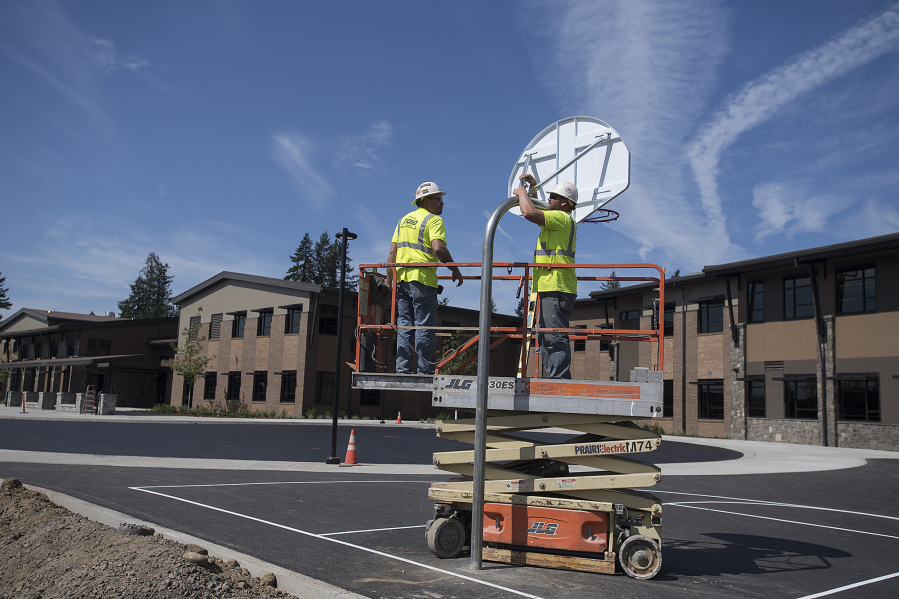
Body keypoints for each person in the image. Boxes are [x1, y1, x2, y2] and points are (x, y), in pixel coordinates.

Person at [386, 182, 463, 374]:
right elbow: (438, 248)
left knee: (404, 326)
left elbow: (391, 253)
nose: (442, 203)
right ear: (426, 200)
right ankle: (424, 371)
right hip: (423, 281)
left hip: (402, 281)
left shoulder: (403, 221)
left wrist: (389, 281)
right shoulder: (433, 220)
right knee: (424, 326)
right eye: (439, 199)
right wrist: (455, 269)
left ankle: (403, 370)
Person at [514, 174, 578, 379]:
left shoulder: (561, 218)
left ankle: (559, 380)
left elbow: (529, 212)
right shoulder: (558, 218)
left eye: (553, 197)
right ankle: (554, 378)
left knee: (554, 335)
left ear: (564, 203)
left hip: (556, 285)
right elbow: (538, 209)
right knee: (545, 336)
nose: (548, 199)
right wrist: (532, 189)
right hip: (551, 285)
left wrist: (522, 193)